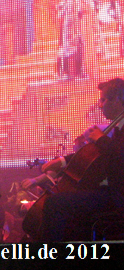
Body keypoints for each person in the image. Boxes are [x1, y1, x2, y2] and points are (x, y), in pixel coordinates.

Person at [35, 77, 124, 241]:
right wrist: (61, 161)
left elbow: (120, 156)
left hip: (117, 195)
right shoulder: (118, 128)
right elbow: (92, 154)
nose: (100, 105)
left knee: (55, 204)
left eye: (103, 100)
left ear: (118, 99)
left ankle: (52, 253)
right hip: (108, 191)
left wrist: (101, 139)